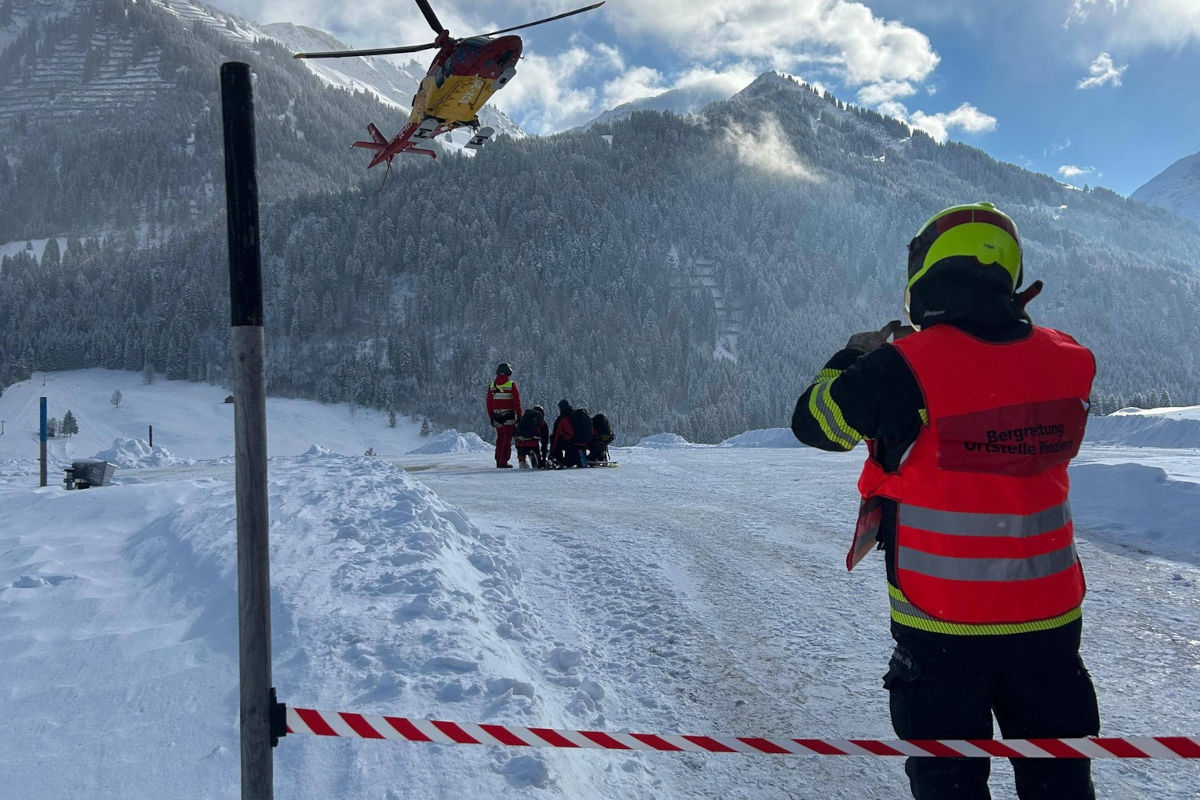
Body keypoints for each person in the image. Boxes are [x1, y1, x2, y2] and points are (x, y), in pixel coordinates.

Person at [790, 202, 1100, 800]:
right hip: (1051, 618)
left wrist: (854, 358)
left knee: (949, 781)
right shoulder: (1070, 358)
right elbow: (1005, 370)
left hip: (940, 624)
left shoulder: (900, 367)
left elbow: (815, 424)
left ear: (924, 273)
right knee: (1060, 778)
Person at [486, 362, 521, 468]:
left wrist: (491, 417)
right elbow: (517, 402)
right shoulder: (511, 385)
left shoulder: (492, 385)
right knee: (507, 439)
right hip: (509, 416)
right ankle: (504, 462)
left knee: (500, 438)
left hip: (497, 417)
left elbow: (489, 403)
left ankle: (498, 461)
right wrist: (519, 416)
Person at [514, 405, 550, 469]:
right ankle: (535, 457)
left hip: (521, 445)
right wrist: (544, 458)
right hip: (533, 445)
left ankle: (522, 460)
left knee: (521, 448)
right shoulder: (542, 423)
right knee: (539, 465)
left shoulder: (523, 419)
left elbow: (515, 433)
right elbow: (544, 441)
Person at [550, 398, 579, 468]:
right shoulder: (576, 415)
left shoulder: (561, 419)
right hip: (581, 442)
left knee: (555, 438)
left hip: (569, 444)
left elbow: (555, 436)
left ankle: (557, 459)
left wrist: (552, 450)